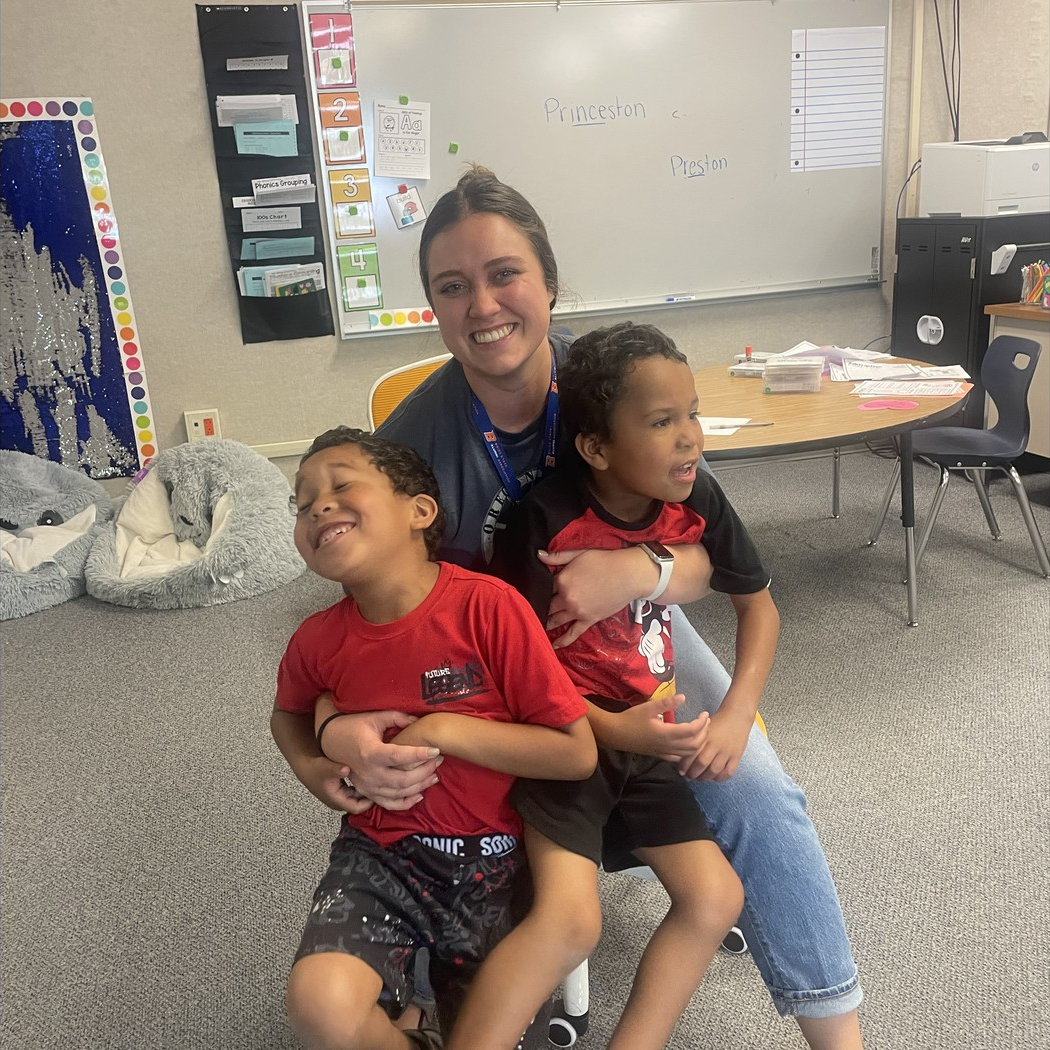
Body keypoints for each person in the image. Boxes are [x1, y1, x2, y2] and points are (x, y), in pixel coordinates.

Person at [322, 165, 866, 1049]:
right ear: (431, 304)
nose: (483, 305)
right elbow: (369, 619)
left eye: (506, 275)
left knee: (759, 791)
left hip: (635, 627)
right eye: (452, 287)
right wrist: (331, 732)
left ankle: (836, 1032)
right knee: (453, 829)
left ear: (547, 281)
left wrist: (636, 573)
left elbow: (706, 557)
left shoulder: (619, 380)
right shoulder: (413, 443)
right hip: (486, 663)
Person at [487, 318, 777, 1048]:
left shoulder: (698, 499)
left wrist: (739, 713)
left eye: (692, 414)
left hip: (646, 747)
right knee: (570, 919)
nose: (690, 438)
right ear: (595, 446)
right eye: (661, 421)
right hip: (566, 745)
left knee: (716, 899)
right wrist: (616, 729)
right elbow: (515, 667)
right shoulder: (544, 517)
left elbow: (760, 607)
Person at [271, 427, 598, 1050]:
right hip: (377, 857)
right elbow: (286, 716)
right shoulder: (316, 640)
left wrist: (449, 729)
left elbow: (574, 753)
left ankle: (415, 1005)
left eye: (341, 486)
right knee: (321, 1008)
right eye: (303, 501)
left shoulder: (488, 607)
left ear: (420, 511)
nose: (318, 506)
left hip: (497, 866)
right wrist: (315, 773)